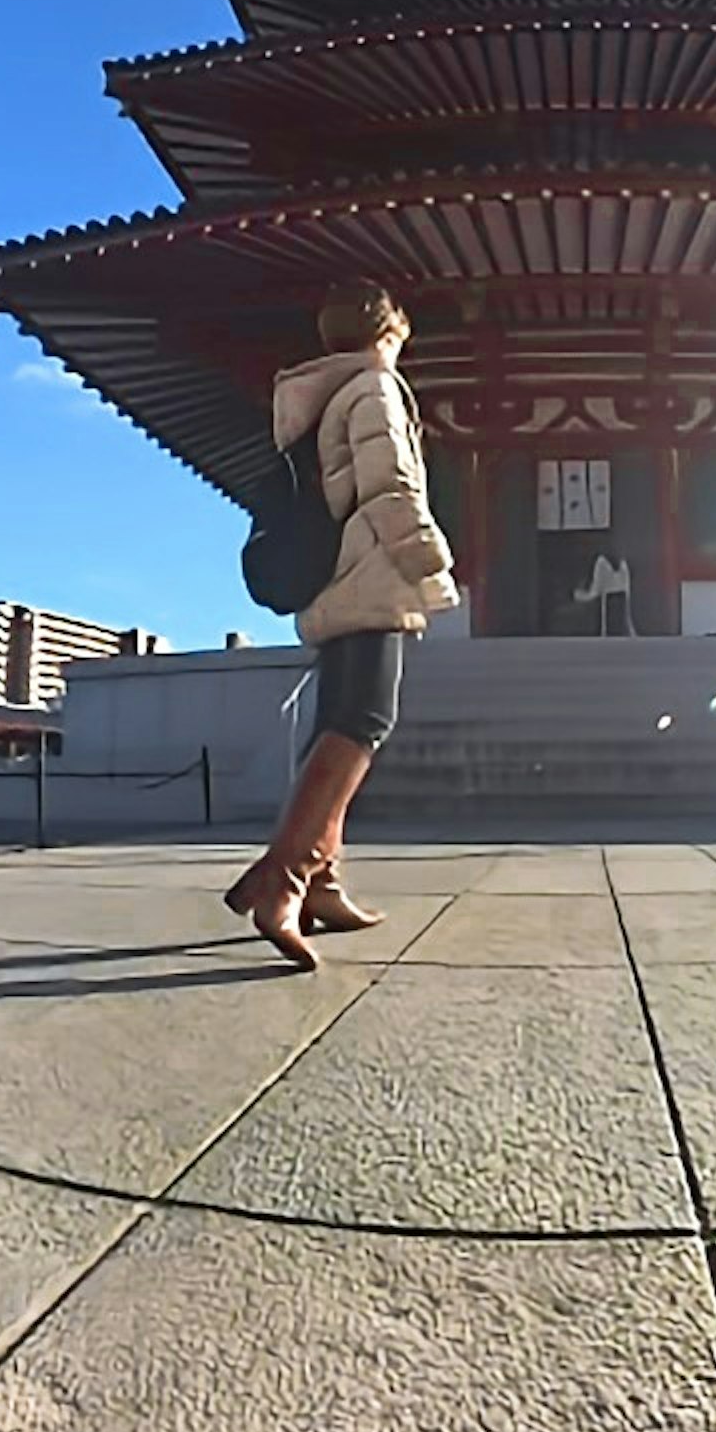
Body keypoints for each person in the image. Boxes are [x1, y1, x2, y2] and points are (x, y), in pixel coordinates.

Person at [227, 279, 458, 966]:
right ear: (388, 335)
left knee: (342, 721)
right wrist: (434, 562)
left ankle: (322, 880)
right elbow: (391, 489)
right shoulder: (375, 389)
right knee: (362, 723)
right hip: (372, 577)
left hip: (333, 581)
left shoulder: (322, 396)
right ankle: (285, 878)